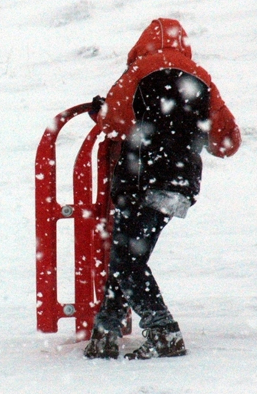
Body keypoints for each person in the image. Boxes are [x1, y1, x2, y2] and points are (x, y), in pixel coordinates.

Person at [83, 18, 241, 360]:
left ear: (143, 43)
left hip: (139, 179)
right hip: (179, 185)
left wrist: (102, 114)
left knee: (127, 261)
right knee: (129, 257)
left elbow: (115, 122)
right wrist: (189, 134)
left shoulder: (141, 69)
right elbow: (228, 142)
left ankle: (162, 330)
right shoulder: (201, 77)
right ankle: (106, 330)